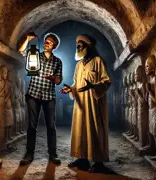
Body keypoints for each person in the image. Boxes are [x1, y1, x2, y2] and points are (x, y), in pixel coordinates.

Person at [59, 34, 111, 173]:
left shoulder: (98, 61)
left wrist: (93, 86)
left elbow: (106, 81)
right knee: (80, 129)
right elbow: (76, 84)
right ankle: (82, 158)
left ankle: (98, 162)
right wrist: (70, 89)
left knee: (95, 129)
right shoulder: (78, 65)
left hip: (94, 104)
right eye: (77, 46)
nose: (78, 48)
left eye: (80, 45)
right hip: (81, 104)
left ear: (88, 46)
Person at [18, 32, 63, 165]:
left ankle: (53, 154)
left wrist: (53, 78)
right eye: (45, 41)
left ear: (54, 46)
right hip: (33, 94)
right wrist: (27, 39)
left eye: (49, 42)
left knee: (51, 126)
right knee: (32, 126)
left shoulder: (57, 62)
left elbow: (59, 80)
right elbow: (21, 52)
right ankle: (29, 154)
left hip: (49, 97)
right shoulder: (35, 55)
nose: (46, 43)